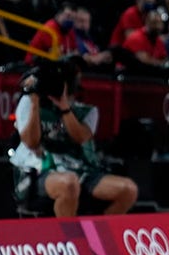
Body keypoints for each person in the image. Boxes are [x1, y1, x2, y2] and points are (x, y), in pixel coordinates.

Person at [10, 58, 139, 216]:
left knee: (128, 190)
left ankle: (99, 236)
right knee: (69, 183)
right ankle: (70, 238)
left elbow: (81, 137)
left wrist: (64, 107)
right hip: (38, 169)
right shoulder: (29, 102)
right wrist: (35, 102)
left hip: (79, 168)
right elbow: (31, 142)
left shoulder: (87, 111)